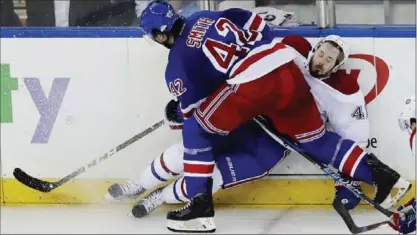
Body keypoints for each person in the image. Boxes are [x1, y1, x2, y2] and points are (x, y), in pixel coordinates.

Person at [137, 1, 411, 232]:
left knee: (196, 130)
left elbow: (190, 111)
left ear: (160, 36)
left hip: (253, 85)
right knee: (316, 140)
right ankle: (385, 178)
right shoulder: (203, 15)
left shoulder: (177, 64)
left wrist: (182, 111)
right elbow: (256, 24)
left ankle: (199, 210)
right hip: (284, 67)